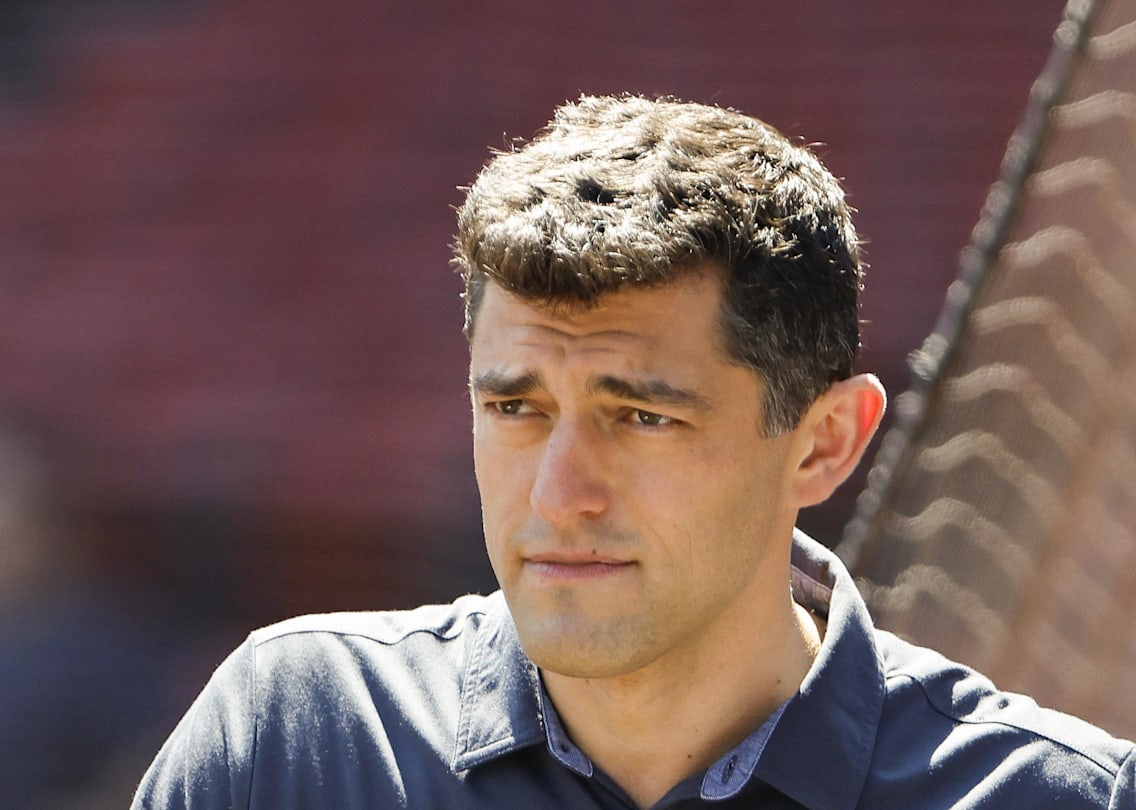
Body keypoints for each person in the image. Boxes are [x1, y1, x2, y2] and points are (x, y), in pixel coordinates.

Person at [131, 94, 1136, 808]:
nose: (559, 493)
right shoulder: (296, 743)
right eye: (517, 407)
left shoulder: (1056, 798)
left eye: (642, 417)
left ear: (825, 444)